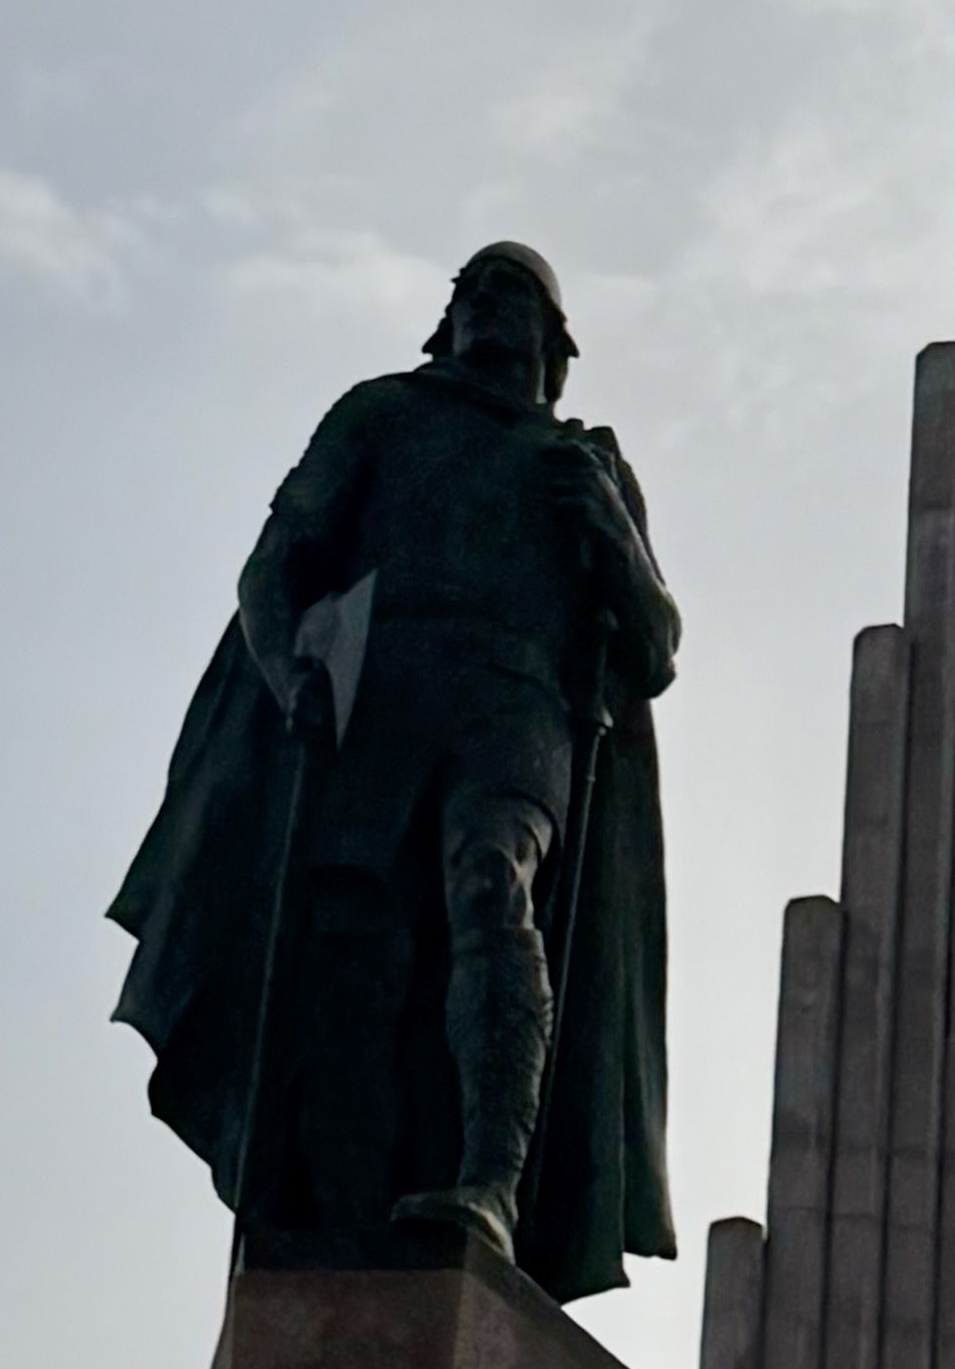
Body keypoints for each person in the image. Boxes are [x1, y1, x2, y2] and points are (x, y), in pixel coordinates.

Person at [109, 242, 676, 1289]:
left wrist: (609, 533)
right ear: (447, 318)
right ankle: (349, 1200)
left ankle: (492, 1185)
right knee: (355, 950)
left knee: (486, 887)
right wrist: (290, 681)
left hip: (518, 712)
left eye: (513, 296)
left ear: (557, 346)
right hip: (383, 700)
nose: (489, 308)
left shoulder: (587, 467)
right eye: (474, 291)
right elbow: (274, 570)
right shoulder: (381, 415)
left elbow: (655, 649)